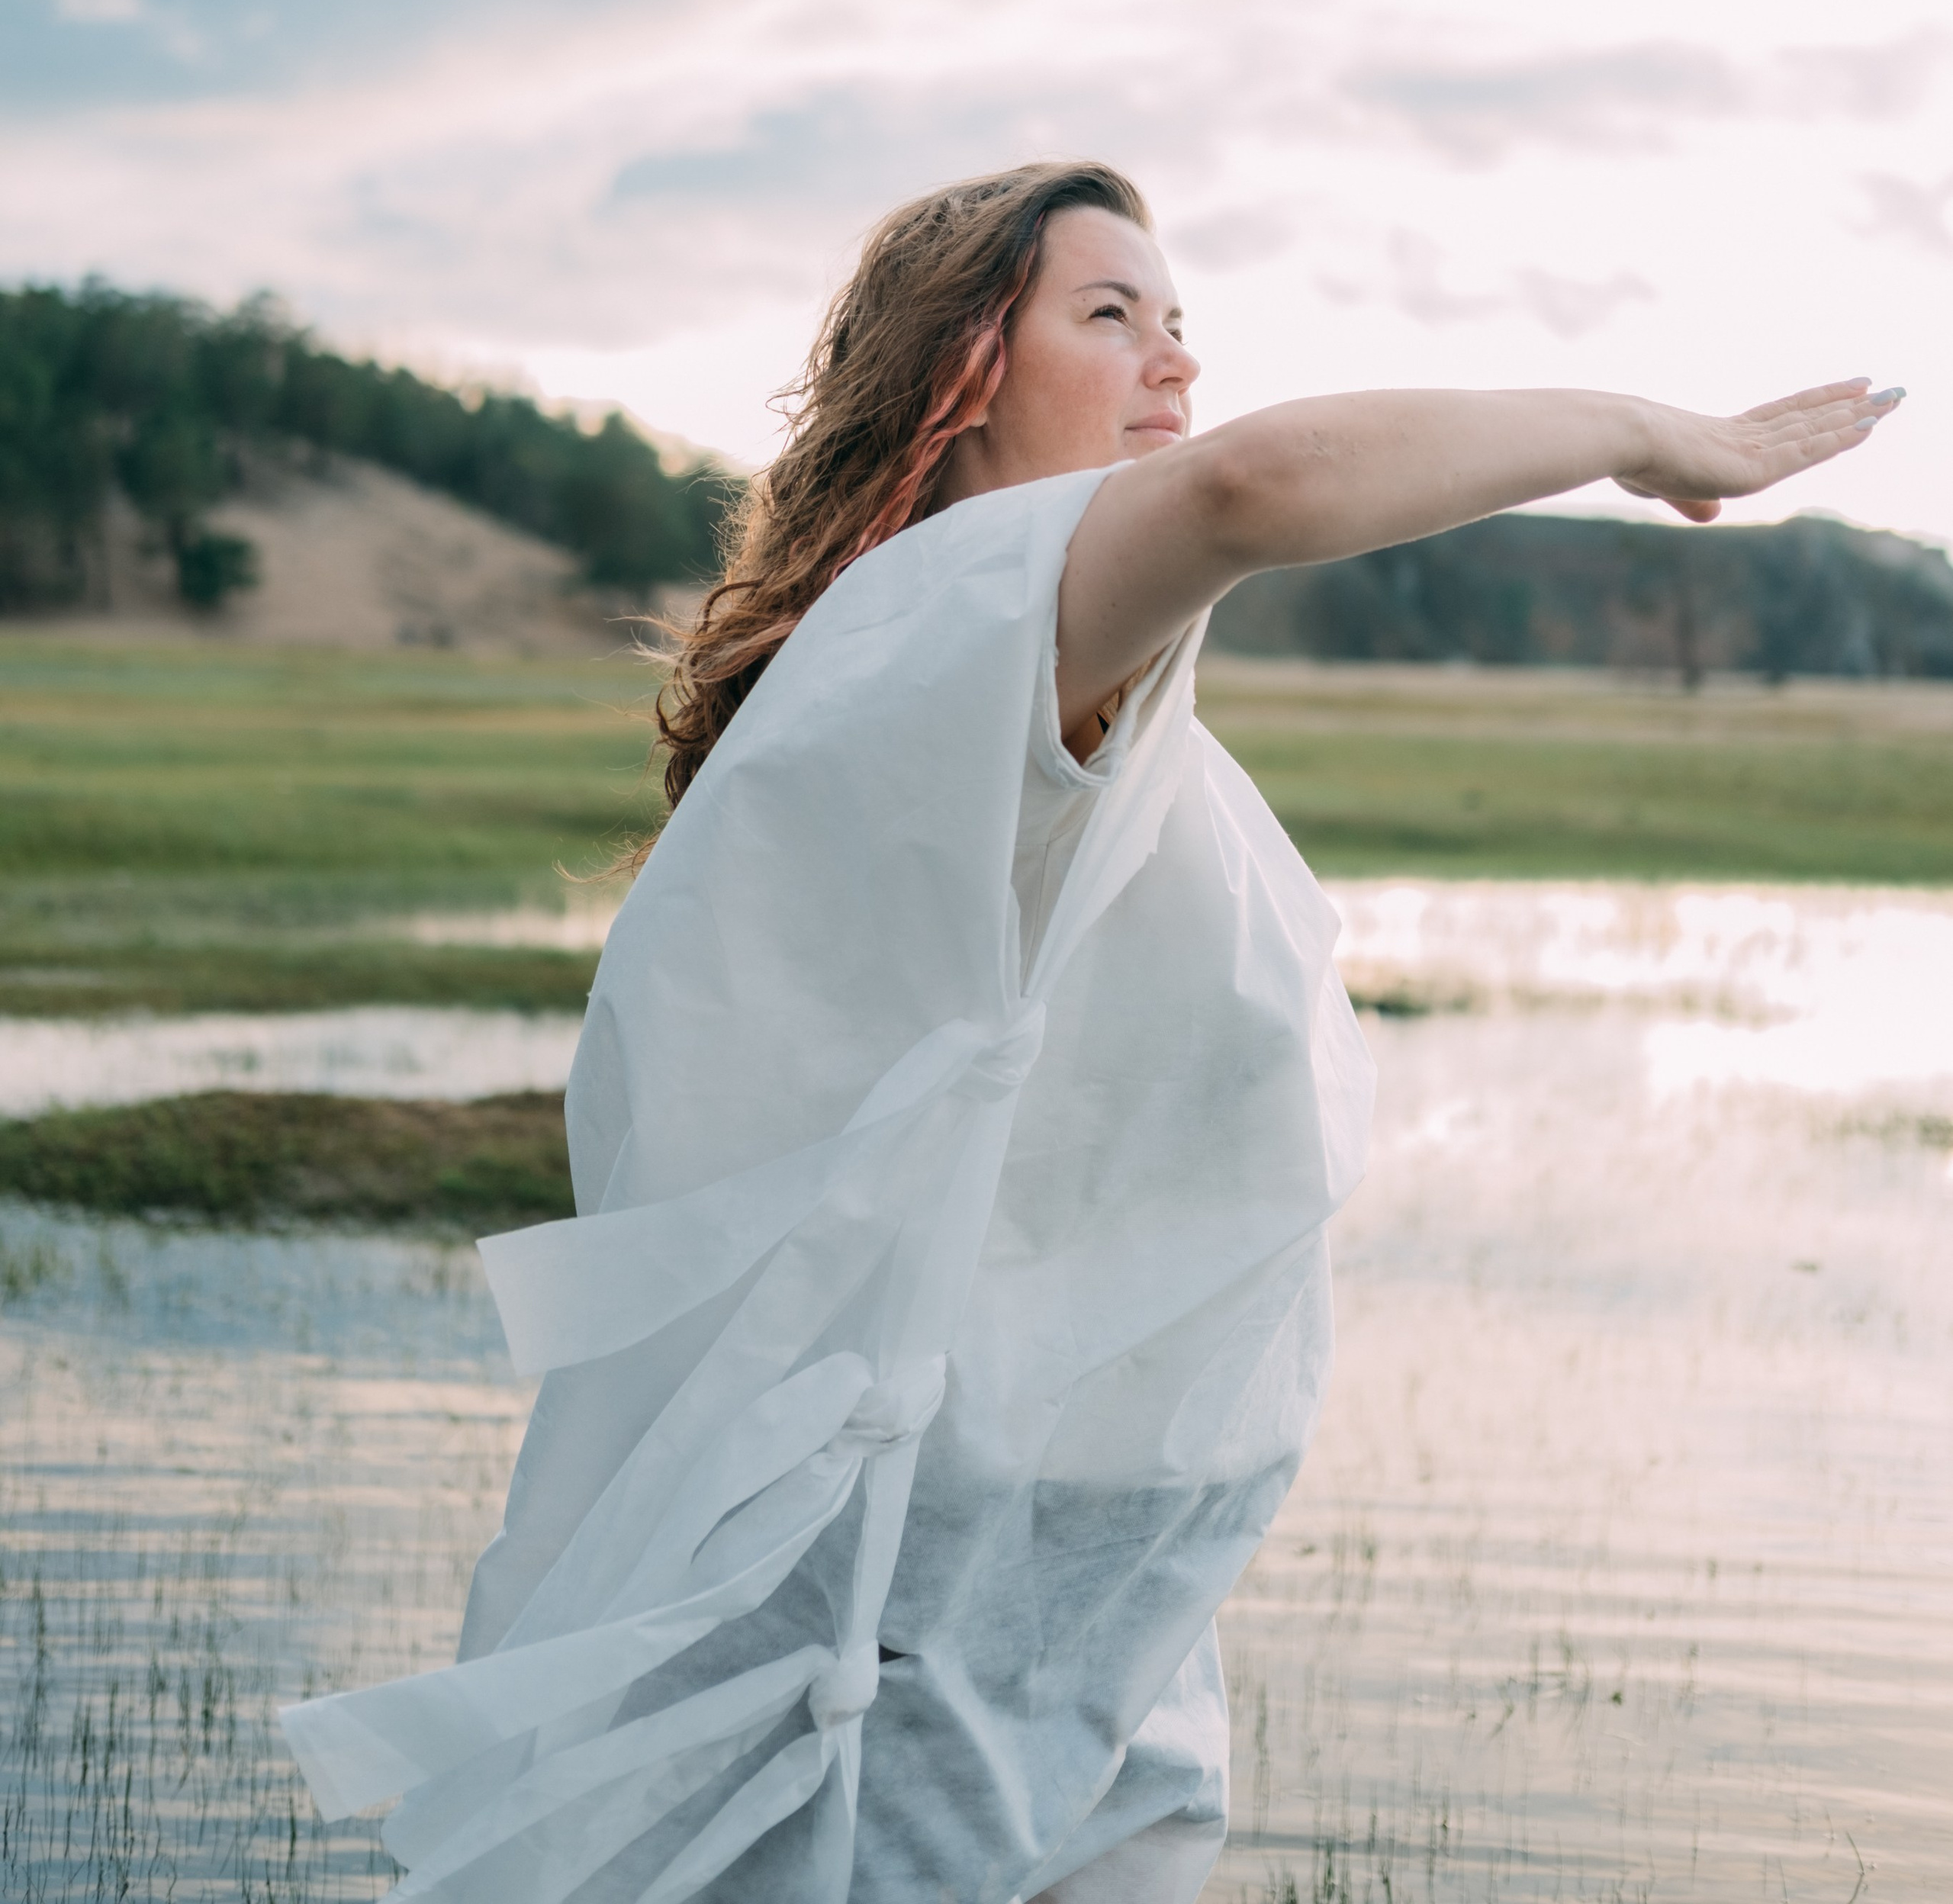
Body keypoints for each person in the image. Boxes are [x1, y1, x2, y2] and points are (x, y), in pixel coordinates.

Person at [282, 160, 1900, 1903]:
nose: (1173, 366)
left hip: (1073, 1617)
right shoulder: (951, 632)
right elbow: (1253, 483)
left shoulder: (1044, 681)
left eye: (1183, 323)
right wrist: (1648, 434)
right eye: (1107, 316)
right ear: (958, 374)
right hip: (900, 1634)